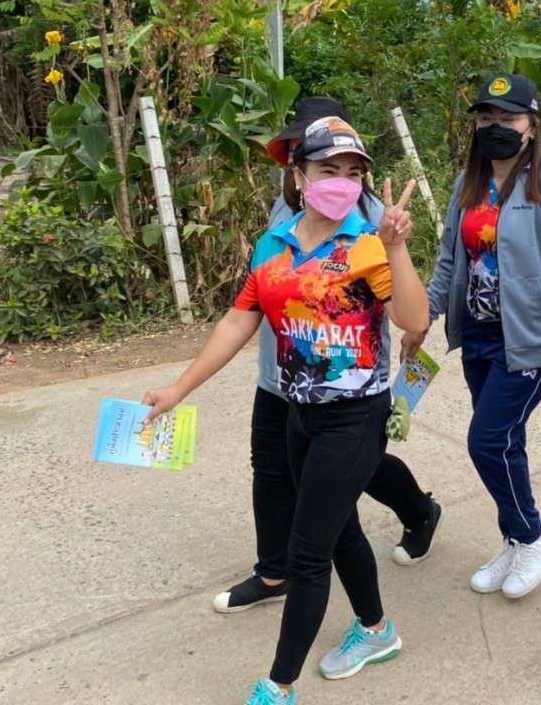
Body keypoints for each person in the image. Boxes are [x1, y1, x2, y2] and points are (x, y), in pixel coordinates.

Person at [143, 117, 430, 705]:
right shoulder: (273, 244)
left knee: (307, 556)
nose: (342, 181)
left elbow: (414, 319)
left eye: (353, 172)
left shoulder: (369, 244)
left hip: (354, 419)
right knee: (340, 529)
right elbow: (238, 322)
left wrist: (397, 247)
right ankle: (377, 631)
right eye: (328, 170)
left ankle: (278, 686)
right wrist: (179, 389)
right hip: (298, 415)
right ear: (299, 176)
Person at [213, 97, 444, 616]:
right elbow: (251, 301)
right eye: (304, 150)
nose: (325, 169)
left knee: (361, 468)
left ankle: (418, 512)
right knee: (271, 469)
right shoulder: (283, 212)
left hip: (345, 386)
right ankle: (273, 572)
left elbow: (407, 303)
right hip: (279, 374)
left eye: (342, 162)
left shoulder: (368, 213)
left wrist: (416, 328)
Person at [402, 73, 541, 599]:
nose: (496, 126)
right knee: (507, 442)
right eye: (487, 117)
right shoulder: (468, 184)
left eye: (509, 117)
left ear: (532, 126)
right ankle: (513, 538)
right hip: (478, 336)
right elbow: (448, 262)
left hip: (527, 340)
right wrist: (424, 318)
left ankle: (532, 534)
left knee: (486, 440)